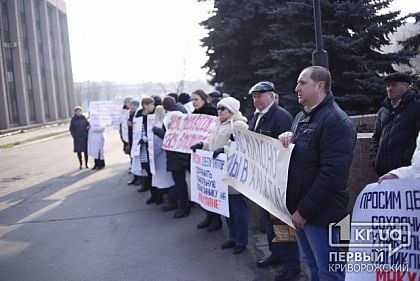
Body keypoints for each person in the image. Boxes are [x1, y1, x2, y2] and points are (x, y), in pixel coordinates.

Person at [278, 66, 356, 281]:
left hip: (321, 215)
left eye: (302, 83)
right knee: (312, 265)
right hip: (300, 210)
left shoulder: (336, 122)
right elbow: (300, 154)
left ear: (320, 86)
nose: (296, 88)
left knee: (329, 271)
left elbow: (332, 175)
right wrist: (288, 136)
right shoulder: (302, 117)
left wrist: (303, 212)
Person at [248, 81, 301, 281]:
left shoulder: (281, 116)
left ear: (271, 95)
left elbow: (285, 150)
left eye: (260, 96)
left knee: (281, 224)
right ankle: (276, 254)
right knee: (268, 222)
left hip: (277, 180)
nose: (256, 100)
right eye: (254, 96)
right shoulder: (257, 116)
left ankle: (292, 264)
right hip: (263, 179)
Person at [191, 97, 249, 255]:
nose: (219, 111)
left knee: (238, 210)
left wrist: (224, 150)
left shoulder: (239, 125)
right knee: (226, 209)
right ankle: (233, 237)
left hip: (233, 174)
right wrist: (202, 145)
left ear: (231, 110)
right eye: (218, 108)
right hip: (218, 173)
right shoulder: (217, 124)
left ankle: (242, 240)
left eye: (222, 108)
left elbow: (242, 148)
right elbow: (212, 144)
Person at [370, 72, 420, 176]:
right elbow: (376, 137)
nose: (389, 89)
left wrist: (406, 158)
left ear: (406, 86)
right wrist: (376, 159)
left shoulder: (416, 107)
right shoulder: (383, 110)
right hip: (383, 172)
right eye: (387, 85)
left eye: (394, 85)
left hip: (407, 172)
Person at [153, 96, 190, 218]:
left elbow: (169, 135)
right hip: (184, 152)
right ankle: (186, 206)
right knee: (184, 181)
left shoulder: (170, 117)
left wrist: (156, 130)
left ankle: (184, 208)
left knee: (179, 182)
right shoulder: (183, 111)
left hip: (175, 154)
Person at [191, 89, 222, 231]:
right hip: (199, 156)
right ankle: (208, 216)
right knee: (204, 189)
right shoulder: (192, 115)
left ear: (204, 99)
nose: (193, 102)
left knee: (213, 189)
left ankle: (217, 220)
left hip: (211, 155)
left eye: (196, 99)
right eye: (192, 100)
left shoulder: (211, 112)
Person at [151, 105, 175, 204]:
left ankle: (167, 201)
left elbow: (157, 145)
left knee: (163, 181)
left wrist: (153, 156)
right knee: (169, 180)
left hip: (160, 158)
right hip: (167, 156)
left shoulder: (156, 126)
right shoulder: (166, 124)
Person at [139, 97, 159, 204]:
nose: (153, 106)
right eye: (151, 104)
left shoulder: (155, 115)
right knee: (148, 172)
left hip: (153, 148)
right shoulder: (140, 116)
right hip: (144, 149)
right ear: (145, 105)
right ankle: (153, 194)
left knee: (155, 173)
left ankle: (159, 195)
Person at [127, 100, 145, 187]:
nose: (131, 107)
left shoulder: (139, 113)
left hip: (138, 140)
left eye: (133, 105)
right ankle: (135, 177)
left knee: (138, 160)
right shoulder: (130, 114)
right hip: (132, 139)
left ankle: (140, 178)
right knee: (133, 158)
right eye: (130, 105)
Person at [120, 97, 132, 168]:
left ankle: (133, 164)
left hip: (131, 133)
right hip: (124, 133)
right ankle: (131, 163)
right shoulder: (122, 111)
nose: (129, 104)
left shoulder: (133, 110)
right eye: (127, 102)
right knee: (128, 150)